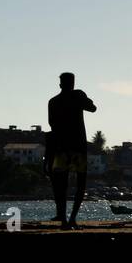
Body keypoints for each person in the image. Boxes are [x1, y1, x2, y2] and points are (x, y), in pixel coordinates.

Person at [48, 72, 98, 228]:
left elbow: (52, 125)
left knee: (61, 184)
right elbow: (93, 108)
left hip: (62, 147)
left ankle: (63, 219)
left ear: (60, 84)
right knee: (80, 183)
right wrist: (83, 95)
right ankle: (72, 219)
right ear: (73, 83)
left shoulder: (53, 102)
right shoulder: (78, 98)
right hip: (78, 146)